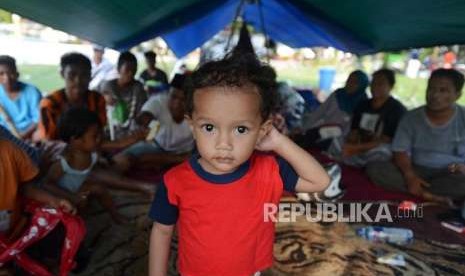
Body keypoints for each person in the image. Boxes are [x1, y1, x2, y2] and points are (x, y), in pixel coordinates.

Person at [148, 53, 330, 276]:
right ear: (192, 126)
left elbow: (319, 181)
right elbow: (162, 232)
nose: (224, 144)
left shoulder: (269, 170)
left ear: (262, 130)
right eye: (209, 127)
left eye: (240, 129)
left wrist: (279, 142)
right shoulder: (174, 181)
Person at [366, 68, 465, 202]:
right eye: (431, 88)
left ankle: (424, 193)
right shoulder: (411, 117)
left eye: (443, 90)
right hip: (416, 169)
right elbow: (399, 150)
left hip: (452, 173)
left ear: (457, 95)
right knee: (375, 168)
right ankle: (432, 196)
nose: (435, 95)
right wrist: (410, 176)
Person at [42, 108, 126, 223]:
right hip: (62, 195)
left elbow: (119, 144)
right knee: (76, 211)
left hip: (79, 187)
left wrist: (138, 137)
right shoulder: (64, 162)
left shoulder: (93, 147)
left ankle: (115, 215)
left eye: (100, 133)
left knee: (100, 189)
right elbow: (47, 184)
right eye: (95, 136)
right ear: (76, 140)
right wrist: (71, 197)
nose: (99, 138)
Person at [113, 74, 193, 172]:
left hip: (183, 154)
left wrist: (159, 159)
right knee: (121, 161)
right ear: (168, 93)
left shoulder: (198, 112)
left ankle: (158, 163)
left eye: (183, 100)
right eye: (173, 97)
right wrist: (143, 121)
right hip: (156, 146)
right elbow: (145, 116)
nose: (176, 104)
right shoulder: (159, 101)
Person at [341, 68, 407, 167]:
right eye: (373, 83)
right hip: (358, 144)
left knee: (383, 152)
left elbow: (386, 140)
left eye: (380, 83)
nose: (375, 86)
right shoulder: (363, 105)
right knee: (336, 140)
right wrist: (352, 140)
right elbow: (354, 130)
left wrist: (356, 148)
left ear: (391, 87)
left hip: (376, 148)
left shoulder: (397, 110)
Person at [37, 52, 107, 141]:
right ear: (62, 74)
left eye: (84, 75)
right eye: (72, 75)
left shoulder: (97, 99)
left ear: (90, 76)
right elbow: (49, 140)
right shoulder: (50, 103)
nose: (78, 81)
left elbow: (100, 132)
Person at [296, 70, 369, 151]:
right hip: (323, 130)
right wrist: (305, 128)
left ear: (362, 85)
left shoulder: (364, 104)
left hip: (342, 140)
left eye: (355, 82)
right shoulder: (338, 94)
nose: (350, 83)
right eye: (349, 80)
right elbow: (319, 112)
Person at [101, 51, 147, 139]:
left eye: (134, 70)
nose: (131, 74)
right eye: (127, 70)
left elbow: (142, 113)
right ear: (118, 69)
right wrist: (104, 101)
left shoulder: (138, 87)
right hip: (110, 133)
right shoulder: (108, 86)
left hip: (130, 133)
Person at [0, 55, 42, 139]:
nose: (7, 78)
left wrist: (22, 137)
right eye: (1, 74)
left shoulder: (32, 92)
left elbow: (38, 120)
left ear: (17, 74)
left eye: (10, 73)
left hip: (30, 135)